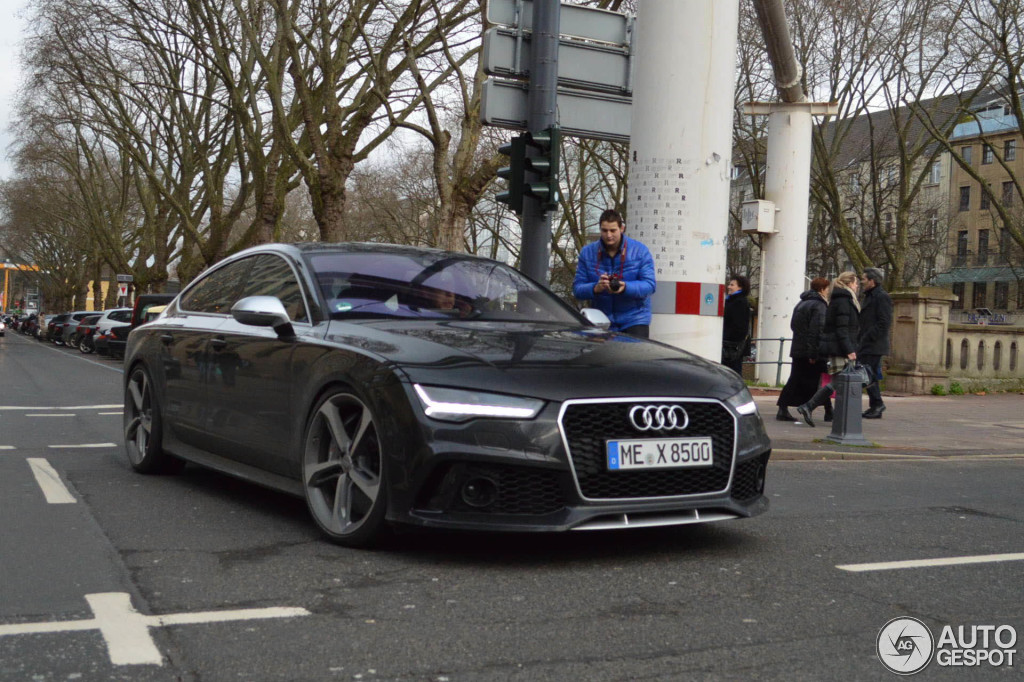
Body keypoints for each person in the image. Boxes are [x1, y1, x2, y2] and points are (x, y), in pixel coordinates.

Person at [572, 208, 656, 337]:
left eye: (613, 230)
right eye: (604, 231)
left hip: (635, 319)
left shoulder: (640, 251)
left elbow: (649, 286)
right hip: (601, 320)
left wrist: (625, 287)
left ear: (622, 228)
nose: (609, 235)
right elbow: (577, 289)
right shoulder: (587, 253)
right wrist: (595, 288)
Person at [797, 271, 860, 427]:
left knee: (839, 382)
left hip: (838, 346)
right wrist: (849, 349)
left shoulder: (838, 299)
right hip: (840, 348)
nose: (858, 286)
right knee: (839, 382)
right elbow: (842, 328)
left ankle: (836, 414)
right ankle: (809, 406)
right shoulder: (844, 300)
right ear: (850, 283)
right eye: (856, 283)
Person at [775, 277, 830, 422]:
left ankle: (783, 407)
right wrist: (813, 353)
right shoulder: (820, 306)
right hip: (811, 351)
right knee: (822, 380)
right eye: (827, 289)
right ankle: (828, 410)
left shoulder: (801, 303)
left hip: (798, 348)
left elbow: (794, 326)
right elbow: (817, 330)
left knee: (796, 378)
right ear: (822, 289)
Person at [858, 267, 893, 419]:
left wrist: (867, 336)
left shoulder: (881, 297)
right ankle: (875, 405)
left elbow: (884, 322)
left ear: (872, 281)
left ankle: (877, 404)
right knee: (869, 374)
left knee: (868, 374)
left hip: (874, 344)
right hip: (868, 343)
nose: (861, 282)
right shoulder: (870, 296)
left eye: (864, 279)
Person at [721, 274, 752, 375]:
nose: (729, 287)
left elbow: (739, 326)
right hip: (733, 345)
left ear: (740, 287)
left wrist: (727, 338)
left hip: (732, 346)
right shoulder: (734, 300)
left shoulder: (739, 302)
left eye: (732, 285)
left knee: (732, 372)